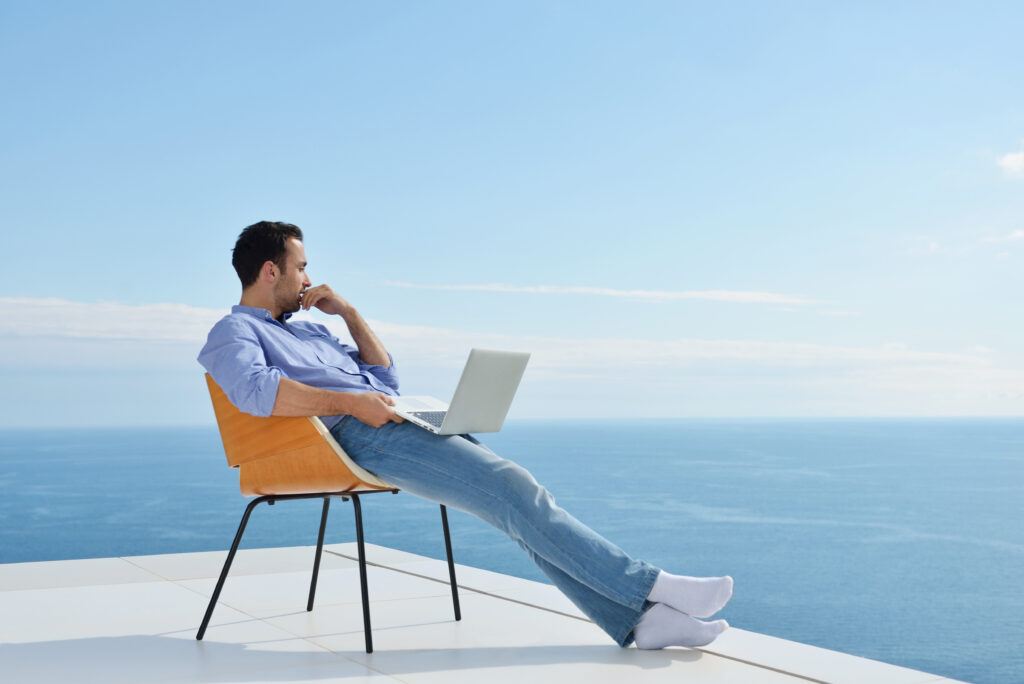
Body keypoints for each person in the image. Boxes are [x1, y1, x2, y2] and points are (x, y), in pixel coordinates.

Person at [198, 220, 734, 649]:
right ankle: (650, 586)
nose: (309, 280)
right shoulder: (234, 331)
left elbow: (386, 379)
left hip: (387, 420)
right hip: (353, 438)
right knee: (513, 488)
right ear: (271, 271)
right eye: (302, 268)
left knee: (512, 500)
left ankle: (641, 624)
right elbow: (254, 391)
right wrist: (350, 402)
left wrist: (351, 314)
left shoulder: (312, 329)